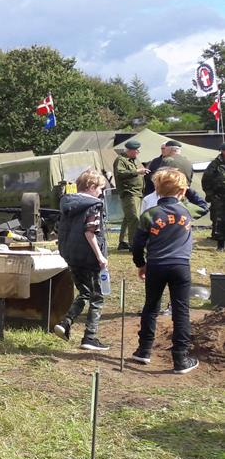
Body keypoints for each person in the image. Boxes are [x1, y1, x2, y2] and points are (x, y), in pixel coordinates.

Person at [130, 168, 198, 374]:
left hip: (156, 265)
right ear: (182, 190)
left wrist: (141, 263)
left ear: (157, 189)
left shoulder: (149, 214)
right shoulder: (187, 210)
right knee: (181, 310)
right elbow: (204, 205)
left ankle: (144, 351)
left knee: (151, 307)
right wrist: (188, 191)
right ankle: (180, 358)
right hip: (180, 266)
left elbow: (137, 244)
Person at [52, 169, 109, 351]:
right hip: (89, 258)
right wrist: (100, 256)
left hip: (71, 256)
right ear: (91, 187)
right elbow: (89, 232)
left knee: (85, 292)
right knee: (97, 296)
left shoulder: (67, 204)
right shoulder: (94, 205)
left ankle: (66, 322)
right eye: (100, 188)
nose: (101, 192)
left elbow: (58, 229)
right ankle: (90, 337)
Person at [113, 140, 148, 251]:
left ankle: (123, 242)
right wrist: (137, 172)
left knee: (128, 218)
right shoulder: (121, 160)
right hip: (129, 193)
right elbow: (120, 174)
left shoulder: (135, 160)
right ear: (130, 150)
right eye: (137, 150)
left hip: (137, 193)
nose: (138, 152)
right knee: (134, 218)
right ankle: (134, 244)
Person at [203, 141, 225, 251]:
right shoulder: (215, 164)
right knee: (220, 220)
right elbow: (206, 180)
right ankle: (221, 244)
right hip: (219, 197)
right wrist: (211, 195)